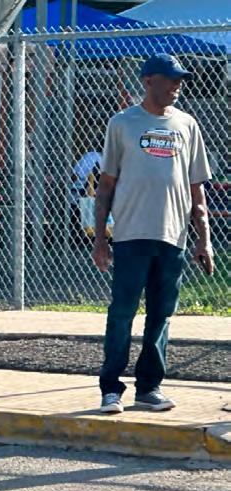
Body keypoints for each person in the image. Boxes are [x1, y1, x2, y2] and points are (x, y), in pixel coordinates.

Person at [92, 54, 214, 415]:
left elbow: (197, 189)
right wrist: (100, 239)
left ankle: (149, 388)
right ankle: (111, 389)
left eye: (180, 80)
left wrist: (204, 239)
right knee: (122, 312)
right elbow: (105, 186)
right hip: (131, 235)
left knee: (161, 315)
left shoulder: (187, 125)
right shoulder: (122, 123)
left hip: (173, 237)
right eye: (170, 79)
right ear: (148, 81)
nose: (177, 86)